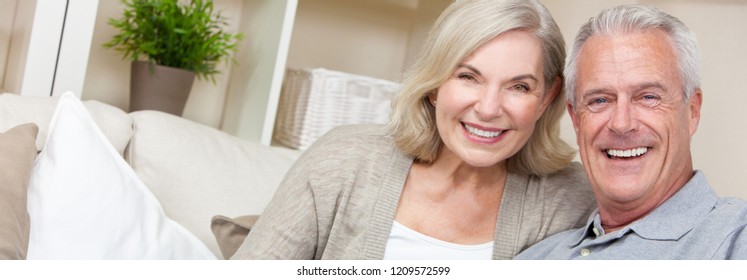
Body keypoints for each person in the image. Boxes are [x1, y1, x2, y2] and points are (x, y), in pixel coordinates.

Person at [232, 0, 595, 260]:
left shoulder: (571, 199)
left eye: (519, 86)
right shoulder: (343, 159)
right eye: (468, 77)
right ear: (435, 84)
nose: (488, 108)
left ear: (547, 97)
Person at [515, 4, 747, 260]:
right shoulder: (534, 258)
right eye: (600, 100)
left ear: (692, 111)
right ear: (576, 119)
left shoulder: (735, 237)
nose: (622, 123)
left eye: (648, 97)